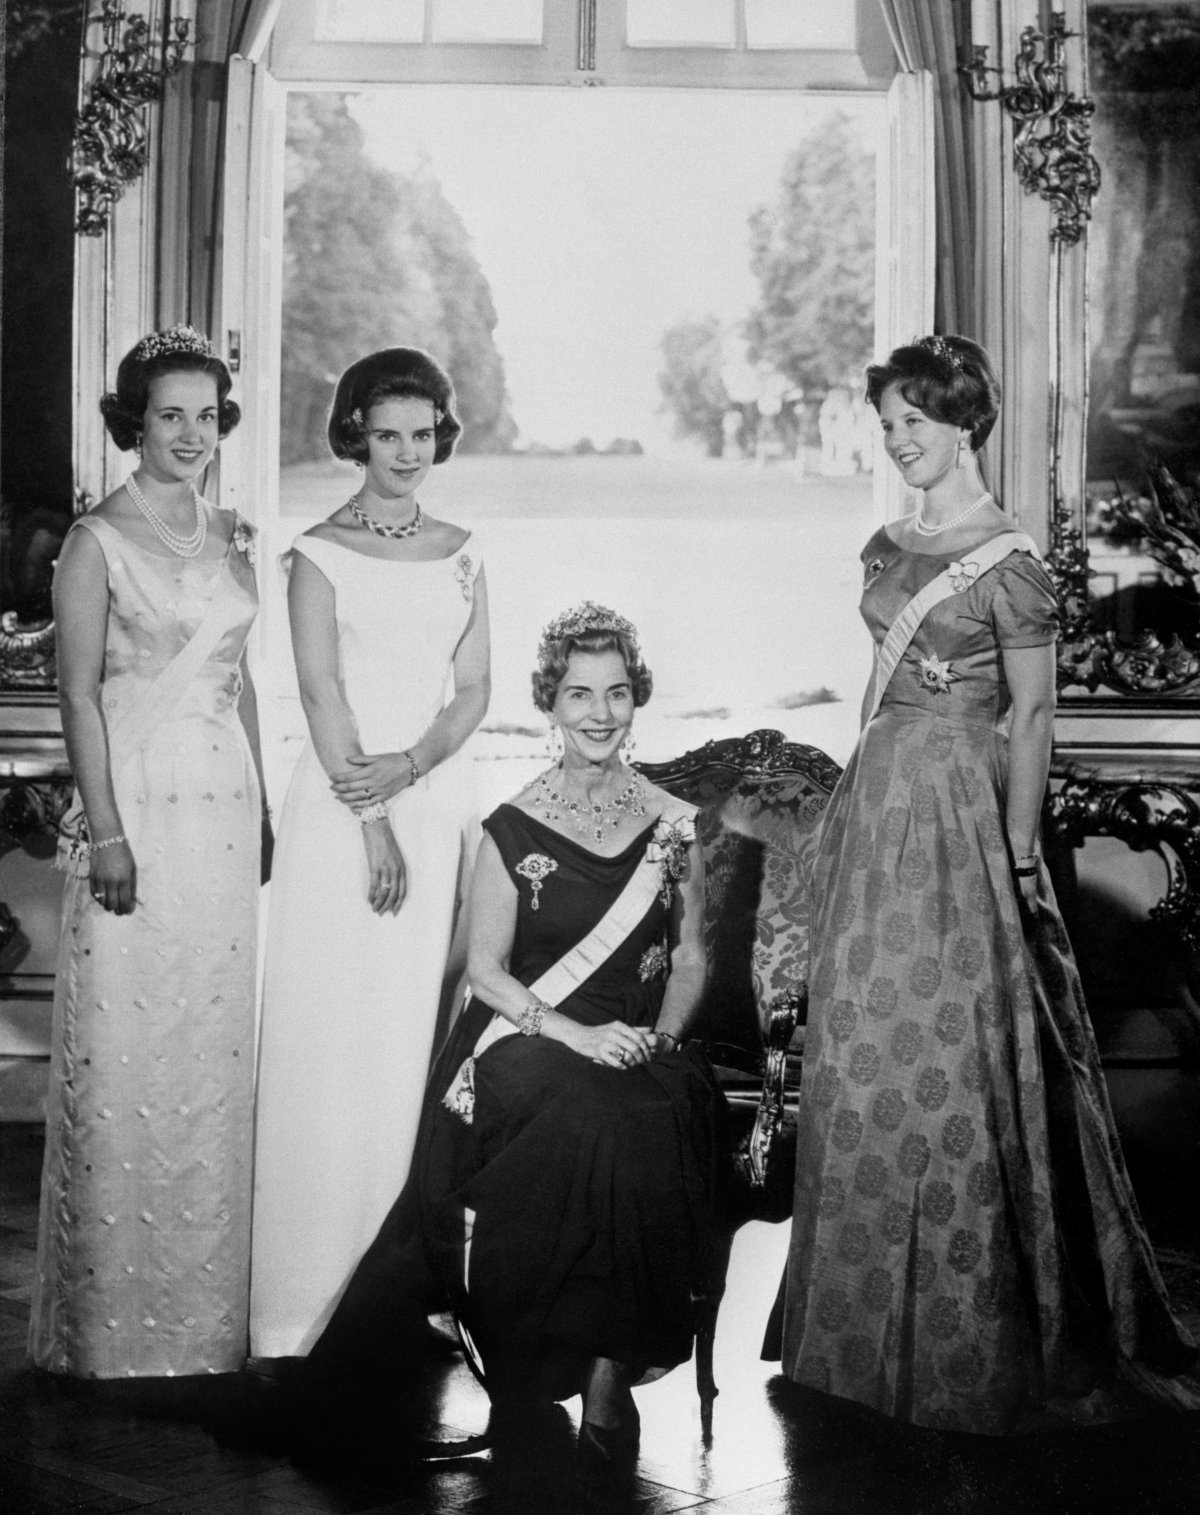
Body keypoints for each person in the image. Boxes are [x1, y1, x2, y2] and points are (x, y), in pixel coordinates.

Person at [773, 334, 1200, 1434]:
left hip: (964, 811)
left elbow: (1036, 717)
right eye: (889, 426)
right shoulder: (883, 546)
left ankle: (959, 1344)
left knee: (948, 1057)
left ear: (964, 424)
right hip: (879, 807)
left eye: (914, 423)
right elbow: (876, 686)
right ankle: (845, 1342)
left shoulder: (1009, 563)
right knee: (864, 1048)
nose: (898, 441)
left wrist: (1016, 848)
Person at [297, 604, 728, 1468]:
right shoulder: (512, 825)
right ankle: (546, 1369)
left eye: (615, 693)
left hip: (639, 1050)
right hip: (528, 1042)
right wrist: (579, 1035)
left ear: (635, 698)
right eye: (578, 694)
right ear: (550, 703)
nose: (599, 714)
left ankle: (607, 1368)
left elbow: (690, 955)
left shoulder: (674, 825)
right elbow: (487, 974)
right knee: (586, 1118)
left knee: (658, 1111)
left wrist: (663, 1039)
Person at [30, 325, 268, 1377]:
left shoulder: (232, 535)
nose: (190, 433)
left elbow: (244, 675)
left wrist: (263, 804)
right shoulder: (96, 541)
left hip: (223, 812)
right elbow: (77, 693)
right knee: (129, 1053)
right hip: (139, 811)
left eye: (206, 415)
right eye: (169, 414)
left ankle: (205, 1331)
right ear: (134, 422)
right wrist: (110, 830)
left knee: (208, 1057)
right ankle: (113, 1339)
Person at [249, 347, 490, 1359]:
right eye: (385, 433)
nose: (405, 453)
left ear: (441, 433)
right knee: (331, 1044)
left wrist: (413, 769)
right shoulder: (317, 551)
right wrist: (373, 813)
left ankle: (396, 1291)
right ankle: (296, 1307)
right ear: (355, 433)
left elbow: (473, 691)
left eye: (421, 433)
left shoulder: (466, 548)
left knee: (408, 1047)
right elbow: (318, 693)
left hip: (428, 801)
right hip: (343, 815)